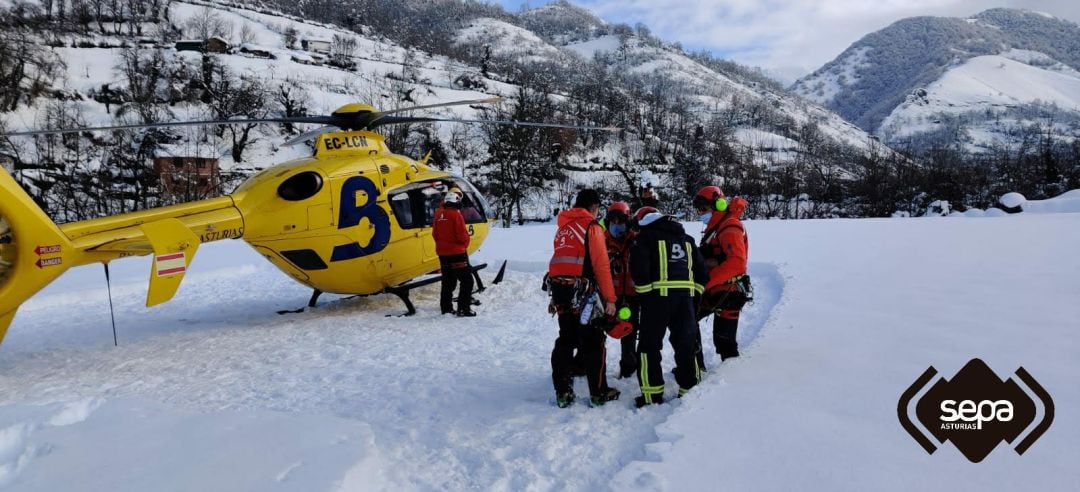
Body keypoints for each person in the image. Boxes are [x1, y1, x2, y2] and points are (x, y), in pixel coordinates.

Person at [547, 189, 620, 408]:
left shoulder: (564, 228)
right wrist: (610, 299)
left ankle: (563, 393)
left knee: (566, 339)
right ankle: (599, 393)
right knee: (594, 341)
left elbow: (559, 261)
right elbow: (601, 265)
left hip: (561, 290)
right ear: (594, 207)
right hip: (584, 293)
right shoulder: (592, 227)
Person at [629, 207, 707, 407]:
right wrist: (694, 296)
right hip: (685, 300)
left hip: (657, 300)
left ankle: (651, 395)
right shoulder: (687, 240)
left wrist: (645, 297)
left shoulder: (645, 238)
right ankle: (689, 390)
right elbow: (701, 272)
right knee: (686, 345)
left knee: (648, 347)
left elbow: (639, 269)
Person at [692, 186, 750, 360]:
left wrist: (706, 282)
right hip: (714, 291)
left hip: (728, 292)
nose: (700, 212)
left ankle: (732, 379)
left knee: (725, 343)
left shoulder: (729, 226)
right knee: (687, 321)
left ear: (719, 204)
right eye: (698, 209)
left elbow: (737, 263)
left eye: (704, 208)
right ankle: (694, 365)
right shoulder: (717, 226)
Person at [602, 201, 640, 379]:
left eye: (621, 221)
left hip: (632, 295)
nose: (617, 225)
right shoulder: (601, 240)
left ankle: (629, 366)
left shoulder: (636, 240)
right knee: (596, 330)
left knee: (629, 332)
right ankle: (588, 364)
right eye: (613, 221)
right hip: (607, 296)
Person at [433, 190, 476, 317]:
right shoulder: (456, 215)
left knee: (448, 282)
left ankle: (446, 308)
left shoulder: (438, 215)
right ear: (456, 202)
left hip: (443, 255)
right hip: (457, 254)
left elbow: (435, 234)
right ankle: (463, 308)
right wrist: (464, 245)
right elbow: (462, 236)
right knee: (467, 281)